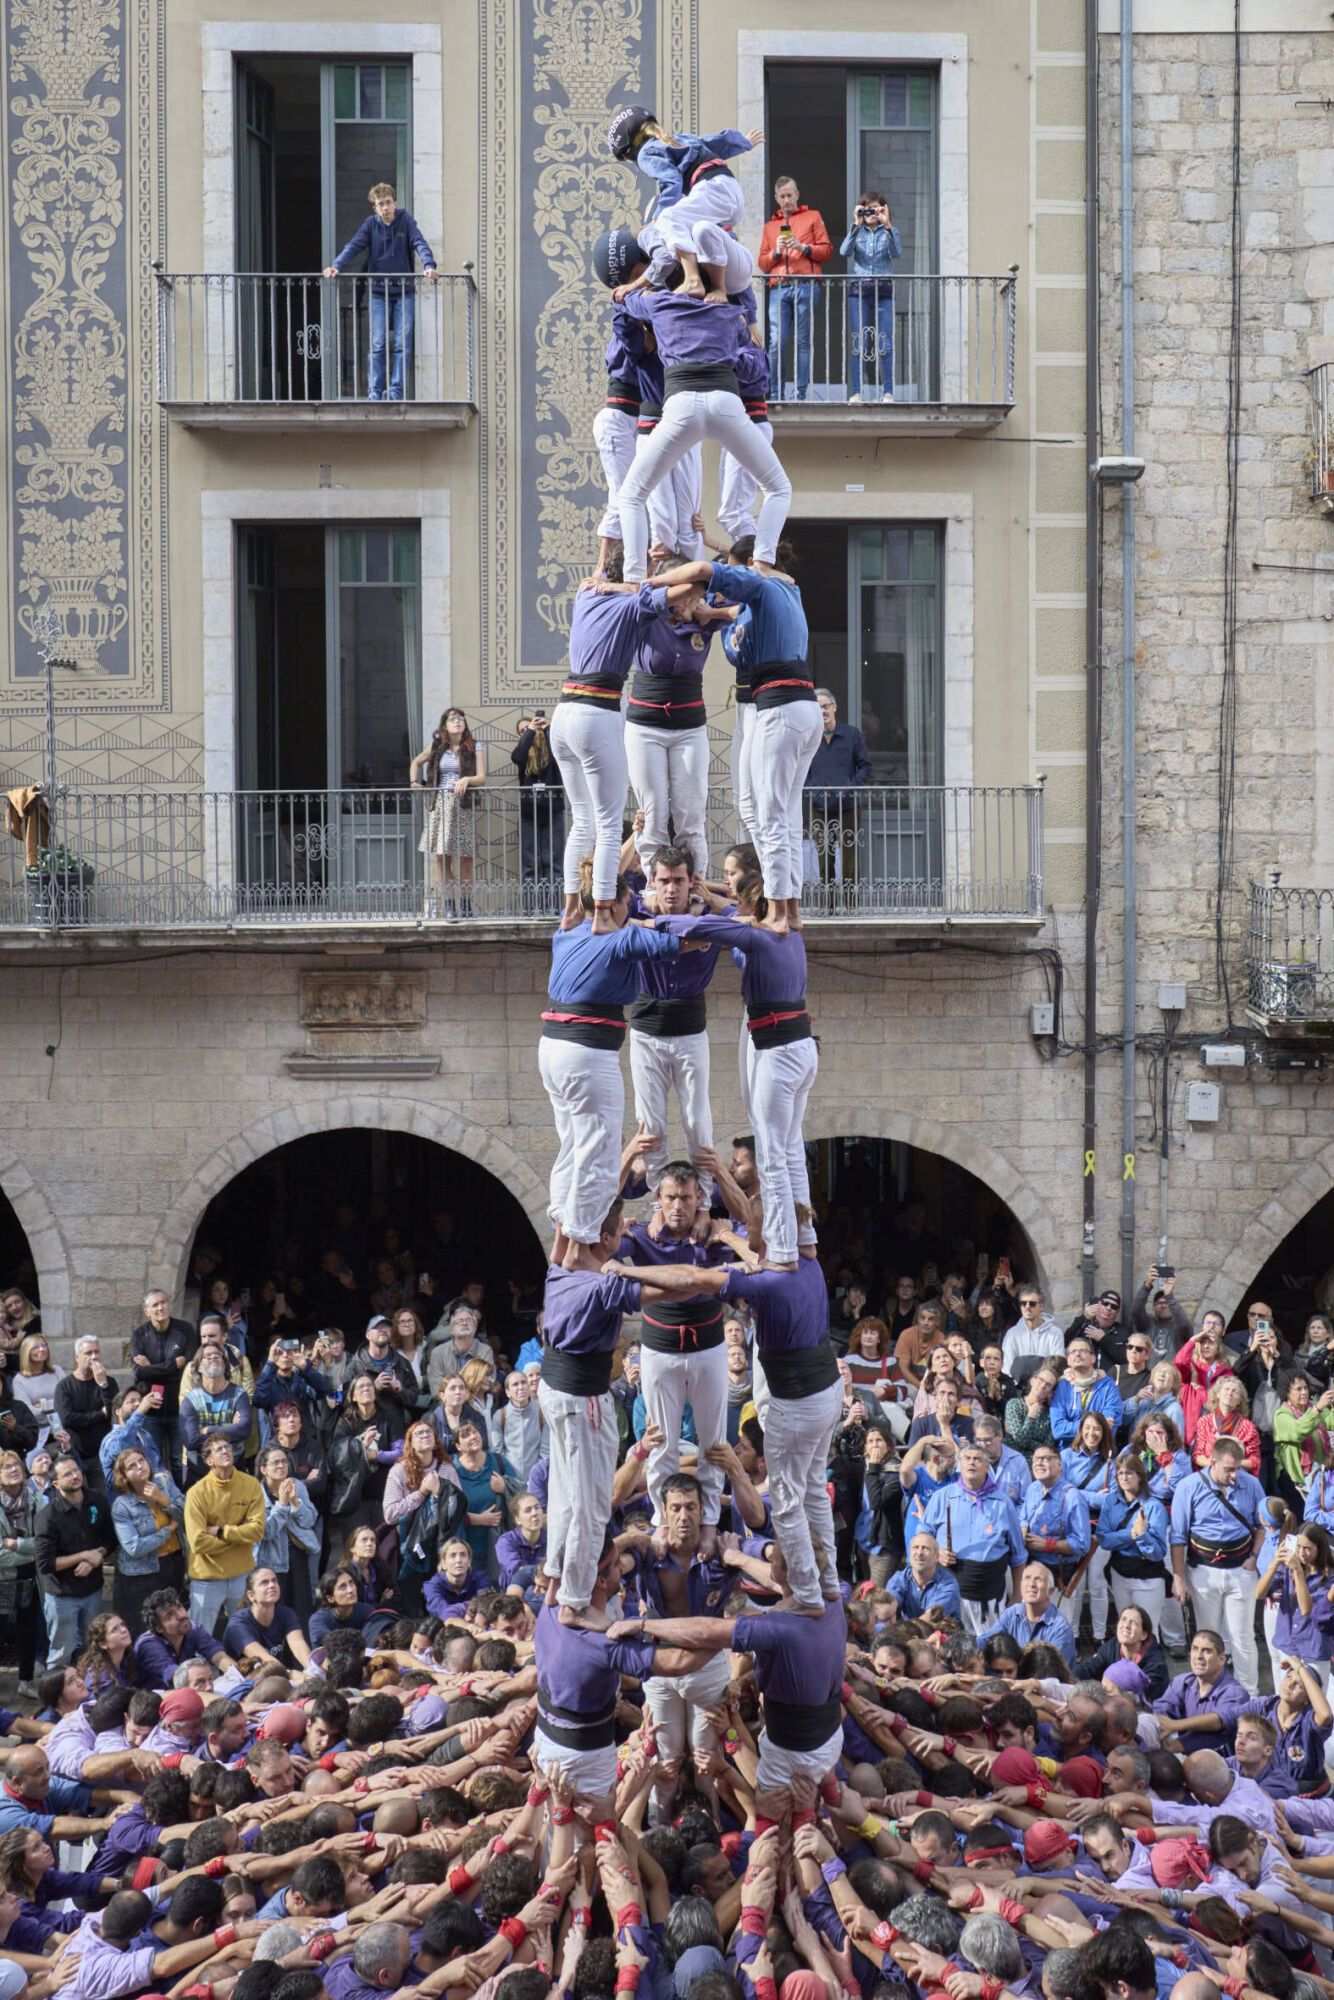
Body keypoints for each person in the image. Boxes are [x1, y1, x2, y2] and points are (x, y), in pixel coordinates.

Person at [607, 1246, 839, 1613]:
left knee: (744, 1462)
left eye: (690, 1509)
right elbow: (608, 1559)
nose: (685, 1517)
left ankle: (817, 1590)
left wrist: (735, 1552)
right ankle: (817, 1589)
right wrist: (637, 1535)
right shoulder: (646, 1549)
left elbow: (769, 1555)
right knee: (660, 1442)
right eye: (677, 1509)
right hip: (801, 1385)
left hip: (779, 1380)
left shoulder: (730, 1547)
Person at [653, 878, 815, 1263]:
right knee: (791, 1149)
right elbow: (730, 917)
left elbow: (697, 927)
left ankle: (785, 1249)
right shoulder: (789, 934)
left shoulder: (757, 937)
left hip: (778, 1051)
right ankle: (806, 1235)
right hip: (802, 1046)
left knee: (772, 1155)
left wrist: (649, 923)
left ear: (754, 912)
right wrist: (717, 901)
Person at [606, 281, 793, 588]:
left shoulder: (662, 303)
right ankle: (761, 564)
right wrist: (747, 323)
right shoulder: (726, 309)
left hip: (682, 405)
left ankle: (634, 579)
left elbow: (626, 304)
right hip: (725, 401)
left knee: (631, 495)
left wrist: (628, 290)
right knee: (779, 487)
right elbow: (753, 353)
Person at [549, 581, 695, 928]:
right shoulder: (632, 603)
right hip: (595, 712)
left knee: (582, 820)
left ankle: (571, 909)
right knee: (609, 823)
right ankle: (601, 913)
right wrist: (653, 583)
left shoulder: (586, 594)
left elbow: (607, 557)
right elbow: (694, 581)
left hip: (563, 713)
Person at [540, 1201, 646, 1621]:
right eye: (620, 1229)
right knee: (591, 1506)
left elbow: (575, 1220)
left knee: (566, 1495)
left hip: (558, 1393)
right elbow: (660, 1290)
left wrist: (616, 1222)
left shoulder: (559, 1267)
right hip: (582, 1400)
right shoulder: (600, 1286)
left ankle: (553, 1581)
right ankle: (574, 1600)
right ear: (604, 1238)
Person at [618, 1163, 729, 1530]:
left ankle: (710, 1519)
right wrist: (617, 1222)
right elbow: (603, 1242)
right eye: (670, 1198)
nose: (677, 1205)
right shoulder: (642, 1236)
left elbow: (754, 1234)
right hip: (660, 1348)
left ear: (699, 1197)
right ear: (658, 1200)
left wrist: (715, 1219)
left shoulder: (715, 1232)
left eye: (685, 1197)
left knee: (713, 1440)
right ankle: (662, 1517)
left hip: (708, 1347)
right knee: (661, 1442)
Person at [607, 105, 760, 298]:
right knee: (698, 228)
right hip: (729, 189)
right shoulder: (674, 139)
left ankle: (692, 279)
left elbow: (671, 180)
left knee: (667, 219)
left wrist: (658, 218)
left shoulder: (645, 153)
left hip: (712, 188)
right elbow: (712, 143)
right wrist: (743, 142)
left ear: (629, 151)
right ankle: (714, 285)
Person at [322, 181, 438, 402]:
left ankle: (395, 392)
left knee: (402, 344)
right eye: (380, 204)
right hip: (378, 294)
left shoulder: (405, 221)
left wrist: (429, 265)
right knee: (377, 344)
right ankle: (375, 393)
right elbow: (354, 246)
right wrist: (337, 266)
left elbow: (419, 242)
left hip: (404, 293)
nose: (385, 208)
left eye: (388, 203)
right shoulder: (370, 225)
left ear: (394, 203)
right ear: (374, 208)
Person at [1169, 1436, 1266, 1691]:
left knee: (1242, 1636)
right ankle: (1209, 1690)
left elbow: (1262, 1526)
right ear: (1212, 1462)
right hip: (1203, 1570)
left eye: (1237, 1468)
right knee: (1207, 1635)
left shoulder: (1251, 1484)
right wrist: (1178, 1577)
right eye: (1228, 1469)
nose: (1234, 1475)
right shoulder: (1189, 1486)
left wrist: (1254, 1557)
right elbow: (1178, 1536)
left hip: (1241, 1568)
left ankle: (1249, 1694)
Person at [921, 1440, 1026, 1636]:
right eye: (967, 1458)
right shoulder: (943, 1497)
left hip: (990, 1598)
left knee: (987, 1652)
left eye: (977, 1459)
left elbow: (1018, 1556)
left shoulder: (1003, 1503)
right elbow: (922, 1536)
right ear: (959, 1464)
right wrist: (936, 1553)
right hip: (949, 1593)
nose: (971, 1463)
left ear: (987, 1466)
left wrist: (1018, 1596)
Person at [182, 1432, 266, 1634]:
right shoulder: (196, 1493)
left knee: (247, 1635)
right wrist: (239, 1539)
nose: (226, 1450)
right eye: (219, 1449)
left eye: (228, 1447)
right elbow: (198, 1542)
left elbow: (257, 1531)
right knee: (199, 1640)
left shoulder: (251, 1484)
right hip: (207, 1579)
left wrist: (220, 1531)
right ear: (209, 1461)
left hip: (242, 1575)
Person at [758, 177, 833, 401]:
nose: (787, 200)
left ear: (797, 195)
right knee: (776, 342)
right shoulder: (770, 227)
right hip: (779, 287)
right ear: (776, 199)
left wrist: (804, 247)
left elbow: (827, 251)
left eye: (790, 195)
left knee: (803, 341)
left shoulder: (813, 217)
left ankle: (800, 393)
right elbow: (762, 263)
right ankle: (775, 393)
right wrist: (777, 252)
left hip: (806, 285)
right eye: (782, 196)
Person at [410, 708, 486, 919]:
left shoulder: (474, 746)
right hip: (440, 805)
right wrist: (414, 782)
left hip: (462, 806)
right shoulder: (437, 747)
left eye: (461, 718)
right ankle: (450, 904)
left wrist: (466, 780)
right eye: (453, 719)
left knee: (466, 858)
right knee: (443, 857)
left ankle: (467, 903)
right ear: (444, 725)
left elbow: (481, 777)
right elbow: (416, 762)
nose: (458, 722)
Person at [35, 1453, 109, 1666]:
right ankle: (55, 1699)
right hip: (62, 1598)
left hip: (93, 1590)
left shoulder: (98, 1499)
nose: (75, 1476)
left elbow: (110, 1538)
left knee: (93, 1650)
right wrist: (83, 1556)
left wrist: (97, 1557)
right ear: (56, 1483)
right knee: (61, 1654)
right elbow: (45, 1563)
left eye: (76, 1470)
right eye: (68, 1474)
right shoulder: (47, 1516)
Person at [109, 1445, 186, 1628]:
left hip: (174, 1564)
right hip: (143, 1573)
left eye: (141, 1461)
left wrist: (163, 1500)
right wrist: (168, 1530)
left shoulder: (165, 1482)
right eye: (132, 1466)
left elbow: (189, 1515)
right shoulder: (122, 1505)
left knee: (173, 1623)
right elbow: (134, 1548)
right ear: (124, 1476)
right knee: (146, 1627)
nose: (139, 1466)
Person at [1096, 1450, 1171, 1630]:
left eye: (1129, 1472)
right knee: (1125, 1629)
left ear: (1140, 1476)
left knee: (1147, 1630)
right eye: (1120, 1473)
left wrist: (1143, 1536)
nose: (1124, 1477)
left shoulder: (1154, 1507)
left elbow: (1158, 1552)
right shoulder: (1110, 1501)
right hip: (1120, 1571)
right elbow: (1104, 1538)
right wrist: (1132, 1534)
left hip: (1148, 1577)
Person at [840, 190, 901, 401]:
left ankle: (888, 392)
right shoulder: (858, 232)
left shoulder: (888, 232)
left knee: (885, 342)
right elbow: (844, 251)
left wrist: (887, 225)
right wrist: (856, 224)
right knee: (860, 341)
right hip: (859, 291)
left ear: (883, 209)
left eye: (876, 208)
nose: (871, 212)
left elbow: (896, 252)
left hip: (883, 290)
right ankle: (857, 392)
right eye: (867, 208)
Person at [129, 1289, 195, 1475]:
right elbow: (138, 1373)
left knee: (179, 1461)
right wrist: (173, 1365)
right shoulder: (139, 1335)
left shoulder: (185, 1330)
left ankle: (183, 1501)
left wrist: (152, 1368)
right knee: (153, 1461)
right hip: (151, 1411)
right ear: (146, 1311)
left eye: (163, 1302)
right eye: (155, 1305)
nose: (160, 1307)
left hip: (179, 1409)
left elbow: (189, 1368)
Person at [0, 1448, 44, 1693]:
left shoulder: (37, 1498)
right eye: (6, 1467)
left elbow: (46, 1540)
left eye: (16, 1464)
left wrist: (18, 1545)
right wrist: (32, 1549)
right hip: (2, 1578)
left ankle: (25, 1682)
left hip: (32, 1575)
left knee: (29, 1630)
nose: (14, 1469)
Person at [511, 710, 563, 912]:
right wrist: (529, 733)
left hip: (553, 811)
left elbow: (560, 755)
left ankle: (553, 908)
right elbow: (517, 756)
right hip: (528, 814)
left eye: (532, 727)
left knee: (554, 863)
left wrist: (548, 729)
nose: (529, 732)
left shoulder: (552, 752)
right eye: (522, 731)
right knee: (531, 864)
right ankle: (531, 909)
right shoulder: (523, 756)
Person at [53, 1337, 118, 1481]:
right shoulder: (65, 1386)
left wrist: (103, 1385)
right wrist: (99, 1415)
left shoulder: (109, 1383)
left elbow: (114, 1413)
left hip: (101, 1454)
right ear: (77, 1357)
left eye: (97, 1352)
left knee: (102, 1500)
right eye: (88, 1353)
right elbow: (67, 1419)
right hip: (75, 1453)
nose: (94, 1357)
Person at [12, 1335, 65, 1452]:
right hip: (40, 1437)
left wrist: (43, 1405)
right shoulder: (19, 1380)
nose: (41, 1349)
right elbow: (28, 1413)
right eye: (36, 1347)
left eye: (44, 1345)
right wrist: (56, 1407)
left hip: (64, 1431)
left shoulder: (57, 1371)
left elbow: (67, 1402)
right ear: (27, 1352)